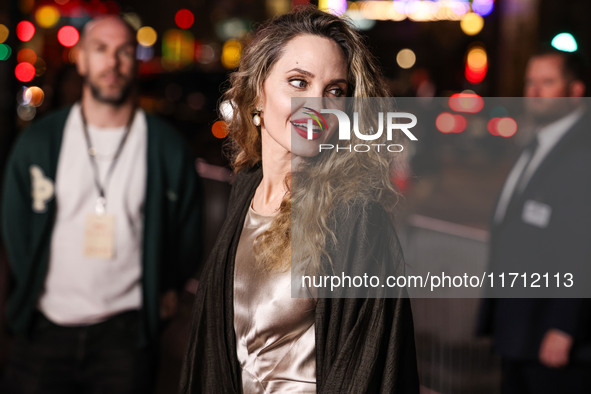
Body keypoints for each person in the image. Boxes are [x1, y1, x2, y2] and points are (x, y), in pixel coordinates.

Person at [180, 7, 419, 393]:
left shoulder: (355, 216)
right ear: (258, 92)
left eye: (335, 91)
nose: (317, 106)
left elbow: (369, 367)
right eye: (298, 82)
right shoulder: (246, 190)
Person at [1, 15, 202, 393]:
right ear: (80, 59)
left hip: (126, 336)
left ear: (137, 61)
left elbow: (187, 233)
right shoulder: (40, 142)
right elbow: (15, 227)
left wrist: (167, 285)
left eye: (124, 51)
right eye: (101, 50)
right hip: (45, 327)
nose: (113, 62)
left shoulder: (166, 146)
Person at [478, 49, 591, 393]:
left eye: (547, 82)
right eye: (530, 81)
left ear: (575, 90)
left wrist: (564, 327)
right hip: (519, 329)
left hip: (553, 339)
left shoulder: (582, 149)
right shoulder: (538, 143)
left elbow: (583, 247)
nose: (534, 91)